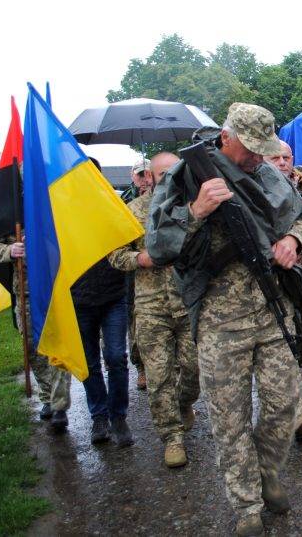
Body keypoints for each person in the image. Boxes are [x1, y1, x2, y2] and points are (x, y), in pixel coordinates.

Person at [146, 103, 302, 536]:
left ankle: (267, 472)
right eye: (252, 148)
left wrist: (293, 240)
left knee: (283, 402)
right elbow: (158, 245)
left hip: (273, 309)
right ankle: (247, 506)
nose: (260, 156)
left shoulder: (267, 173)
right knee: (229, 417)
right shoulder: (184, 177)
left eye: (265, 149)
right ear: (226, 137)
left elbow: (301, 215)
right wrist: (196, 212)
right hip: (220, 319)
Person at [108, 152, 200, 466]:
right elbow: (114, 255)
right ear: (149, 177)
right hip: (151, 308)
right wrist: (140, 259)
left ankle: (185, 403)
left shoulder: (195, 209)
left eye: (176, 173)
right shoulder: (132, 212)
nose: (170, 180)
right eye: (163, 174)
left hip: (189, 305)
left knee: (193, 370)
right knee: (159, 377)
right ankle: (172, 438)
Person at [72, 158, 134, 446]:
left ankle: (118, 416)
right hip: (78, 297)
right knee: (89, 363)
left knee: (116, 358)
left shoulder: (114, 208)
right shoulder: (63, 214)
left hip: (113, 295)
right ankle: (99, 417)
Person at [264, 140, 302, 439]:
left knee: (301, 338)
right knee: (284, 343)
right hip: (276, 281)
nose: (283, 162)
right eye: (276, 157)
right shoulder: (258, 191)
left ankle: (295, 403)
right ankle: (300, 410)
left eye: (287, 157)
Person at [0, 238, 72, 431]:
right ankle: (47, 396)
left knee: (58, 349)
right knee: (32, 349)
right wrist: (11, 249)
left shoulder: (50, 208)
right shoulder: (9, 214)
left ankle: (59, 405)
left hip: (54, 289)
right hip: (25, 293)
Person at [122, 158, 153, 390]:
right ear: (133, 176)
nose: (145, 178)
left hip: (159, 278)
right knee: (135, 323)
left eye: (148, 173)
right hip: (132, 274)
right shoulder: (124, 202)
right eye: (140, 174)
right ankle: (140, 366)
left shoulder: (165, 198)